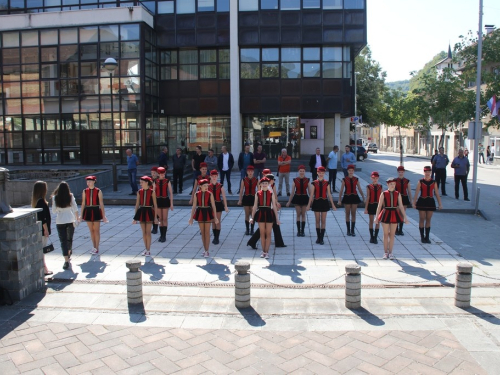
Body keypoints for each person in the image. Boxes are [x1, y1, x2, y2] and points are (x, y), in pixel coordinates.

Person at [246, 171, 286, 249]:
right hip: (267, 210)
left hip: (270, 210)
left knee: (273, 226)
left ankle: (278, 242)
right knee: (266, 228)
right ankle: (253, 242)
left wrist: (276, 204)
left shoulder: (270, 187)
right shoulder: (267, 188)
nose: (273, 181)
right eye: (272, 179)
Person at [374, 178, 408, 260]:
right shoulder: (384, 193)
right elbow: (379, 206)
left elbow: (400, 206)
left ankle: (391, 252)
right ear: (387, 184)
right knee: (386, 234)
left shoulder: (398, 193)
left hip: (394, 213)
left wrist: (405, 217)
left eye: (394, 184)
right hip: (386, 212)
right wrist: (376, 217)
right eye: (391, 184)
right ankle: (385, 252)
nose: (393, 185)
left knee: (392, 234)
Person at [249, 177, 280, 259]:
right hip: (261, 213)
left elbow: (274, 206)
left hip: (269, 213)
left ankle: (267, 251)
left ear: (268, 184)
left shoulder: (271, 193)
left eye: (266, 183)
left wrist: (277, 219)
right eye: (263, 183)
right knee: (262, 233)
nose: (264, 185)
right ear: (260, 184)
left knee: (268, 233)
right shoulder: (257, 193)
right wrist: (252, 217)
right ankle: (263, 251)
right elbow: (255, 206)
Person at [52, 182, 79, 270]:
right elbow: (75, 208)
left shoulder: (55, 198)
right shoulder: (70, 196)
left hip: (60, 220)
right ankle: (69, 251)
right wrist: (77, 218)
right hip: (70, 219)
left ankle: (66, 260)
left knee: (62, 241)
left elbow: (54, 211)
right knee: (69, 238)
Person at [306, 166, 336, 245]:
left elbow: (329, 194)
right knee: (317, 220)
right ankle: (318, 237)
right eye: (319, 173)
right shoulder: (314, 183)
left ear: (324, 173)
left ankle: (322, 238)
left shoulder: (327, 183)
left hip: (324, 202)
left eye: (322, 173)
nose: (321, 174)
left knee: (323, 220)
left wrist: (333, 205)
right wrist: (309, 205)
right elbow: (311, 195)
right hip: (316, 202)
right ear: (317, 173)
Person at [412, 166, 443, 244]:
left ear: (431, 173)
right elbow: (416, 192)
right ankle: (422, 237)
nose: (427, 173)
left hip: (430, 201)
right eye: (426, 172)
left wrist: (440, 204)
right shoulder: (420, 182)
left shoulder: (434, 182)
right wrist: (414, 202)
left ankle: (427, 237)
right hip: (422, 200)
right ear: (424, 172)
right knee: (422, 218)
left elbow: (437, 193)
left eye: (429, 172)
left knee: (428, 219)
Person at [188, 179, 218, 258]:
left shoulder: (210, 194)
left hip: (208, 211)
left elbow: (214, 206)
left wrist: (215, 217)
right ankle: (205, 249)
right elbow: (194, 206)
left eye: (207, 186)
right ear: (200, 187)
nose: (206, 187)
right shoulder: (196, 194)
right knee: (202, 232)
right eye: (204, 186)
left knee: (207, 232)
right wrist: (191, 218)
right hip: (200, 211)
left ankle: (207, 250)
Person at [80, 176, 108, 255]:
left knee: (96, 230)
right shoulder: (85, 191)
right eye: (87, 181)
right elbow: (83, 203)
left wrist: (103, 215)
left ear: (94, 182)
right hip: (88, 210)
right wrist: (81, 215)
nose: (88, 183)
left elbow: (101, 203)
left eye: (90, 181)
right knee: (91, 230)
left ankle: (97, 247)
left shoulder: (98, 191)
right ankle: (93, 246)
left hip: (96, 210)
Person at [133, 176, 158, 257]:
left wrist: (155, 218)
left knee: (148, 232)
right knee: (143, 232)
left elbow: (155, 205)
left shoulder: (152, 192)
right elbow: (137, 205)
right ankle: (146, 249)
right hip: (141, 211)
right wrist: (135, 218)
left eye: (142, 182)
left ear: (147, 183)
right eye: (140, 182)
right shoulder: (139, 192)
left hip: (149, 211)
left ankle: (148, 249)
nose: (140, 184)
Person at [338, 164, 365, 237]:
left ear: (353, 171)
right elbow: (341, 190)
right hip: (347, 196)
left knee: (353, 214)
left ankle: (352, 230)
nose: (351, 172)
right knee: (347, 214)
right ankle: (348, 230)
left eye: (352, 171)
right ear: (347, 171)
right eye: (349, 171)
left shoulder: (356, 179)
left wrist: (363, 197)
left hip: (354, 197)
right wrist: (339, 200)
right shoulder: (344, 179)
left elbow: (359, 189)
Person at [32, 181, 52, 275]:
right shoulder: (41, 202)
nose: (46, 190)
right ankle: (44, 269)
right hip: (43, 230)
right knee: (42, 250)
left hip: (40, 229)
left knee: (41, 250)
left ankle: (44, 268)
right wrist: (46, 229)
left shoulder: (36, 201)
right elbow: (42, 218)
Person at [286, 165, 310, 237]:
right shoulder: (295, 180)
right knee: (298, 214)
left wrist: (311, 201)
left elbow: (310, 192)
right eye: (300, 171)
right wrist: (289, 201)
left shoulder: (307, 180)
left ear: (305, 172)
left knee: (303, 214)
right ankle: (298, 231)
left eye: (303, 171)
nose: (302, 172)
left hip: (305, 197)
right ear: (298, 171)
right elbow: (292, 192)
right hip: (297, 197)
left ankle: (302, 230)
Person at [209, 170, 229, 245]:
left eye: (215, 176)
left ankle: (217, 237)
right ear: (210, 177)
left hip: (218, 204)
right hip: (210, 205)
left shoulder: (220, 186)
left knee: (217, 220)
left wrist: (226, 206)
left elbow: (224, 197)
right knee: (212, 221)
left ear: (217, 177)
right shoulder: (208, 186)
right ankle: (214, 236)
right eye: (213, 176)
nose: (214, 178)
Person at [155, 167, 174, 243]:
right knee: (160, 219)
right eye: (161, 174)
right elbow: (153, 193)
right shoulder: (155, 181)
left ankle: (164, 235)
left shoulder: (167, 181)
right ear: (158, 174)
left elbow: (171, 193)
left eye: (164, 174)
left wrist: (171, 203)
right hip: (158, 200)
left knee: (165, 218)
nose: (163, 175)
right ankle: (161, 235)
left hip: (165, 200)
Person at [237, 165, 258, 235]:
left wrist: (259, 200)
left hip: (253, 197)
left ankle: (252, 229)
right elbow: (241, 190)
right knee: (246, 214)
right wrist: (240, 200)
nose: (250, 173)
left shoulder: (256, 180)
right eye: (249, 171)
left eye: (251, 171)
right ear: (247, 172)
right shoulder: (244, 180)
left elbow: (259, 191)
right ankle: (247, 229)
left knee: (253, 214)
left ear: (253, 172)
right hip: (246, 197)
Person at [364, 172, 382, 244]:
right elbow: (368, 197)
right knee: (371, 221)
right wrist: (366, 208)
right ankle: (371, 237)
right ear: (371, 178)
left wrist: (384, 207)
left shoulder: (380, 187)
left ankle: (376, 237)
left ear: (378, 178)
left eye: (376, 178)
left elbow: (382, 197)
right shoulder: (369, 187)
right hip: (371, 205)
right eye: (373, 178)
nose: (375, 179)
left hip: (378, 205)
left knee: (378, 221)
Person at [394, 166, 412, 236]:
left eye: (402, 172)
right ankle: (396, 229)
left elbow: (409, 191)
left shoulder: (407, 181)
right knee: (397, 213)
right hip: (397, 198)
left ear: (404, 172)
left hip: (404, 197)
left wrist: (411, 200)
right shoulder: (395, 180)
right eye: (399, 172)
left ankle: (400, 229)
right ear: (397, 172)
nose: (401, 173)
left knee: (402, 214)